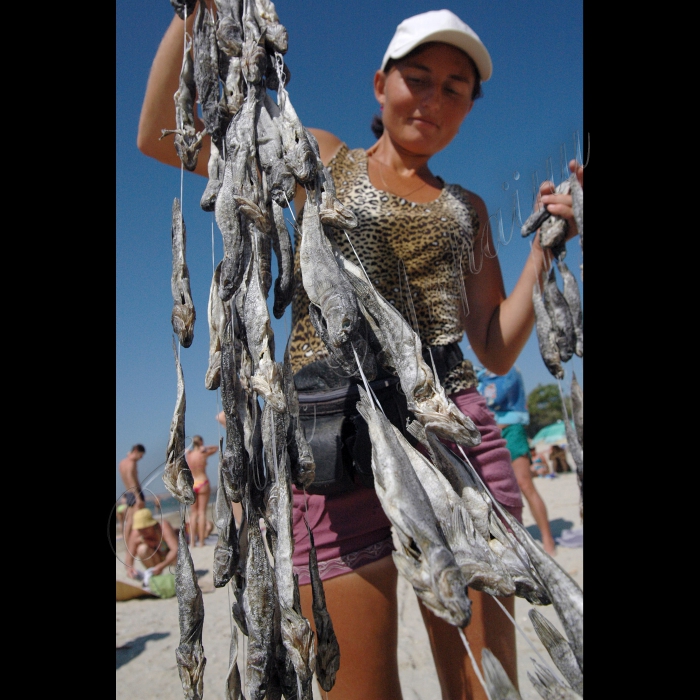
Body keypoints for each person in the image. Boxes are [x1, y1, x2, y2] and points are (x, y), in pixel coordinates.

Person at [137, 7, 582, 699]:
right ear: (381, 83)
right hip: (328, 443)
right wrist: (190, 17)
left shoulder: (465, 207)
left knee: (485, 688)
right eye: (419, 78)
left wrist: (544, 253)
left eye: (455, 89)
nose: (434, 99)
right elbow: (165, 138)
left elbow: (494, 347)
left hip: (455, 441)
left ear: (469, 106)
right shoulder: (318, 158)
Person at [478, 367, 556, 555]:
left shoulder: (508, 371)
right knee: (491, 490)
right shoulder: (478, 377)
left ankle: (547, 537)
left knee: (525, 484)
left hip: (511, 430)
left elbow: (499, 400)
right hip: (487, 433)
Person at [124, 507, 179, 582]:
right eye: (140, 529)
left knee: (179, 554)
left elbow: (175, 549)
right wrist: (130, 569)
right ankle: (156, 578)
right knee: (142, 549)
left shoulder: (163, 527)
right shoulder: (135, 534)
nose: (142, 531)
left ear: (152, 524)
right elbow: (129, 558)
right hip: (156, 558)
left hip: (171, 556)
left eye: (145, 528)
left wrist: (162, 566)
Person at [185, 435, 218, 547]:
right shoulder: (203, 453)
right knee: (202, 512)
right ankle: (202, 541)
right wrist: (205, 447)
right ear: (201, 442)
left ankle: (193, 541)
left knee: (193, 514)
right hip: (202, 481)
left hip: (193, 483)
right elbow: (216, 448)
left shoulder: (189, 454)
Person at [118, 444, 146, 546]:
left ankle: (127, 544)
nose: (141, 457)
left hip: (128, 493)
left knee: (130, 521)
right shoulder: (131, 463)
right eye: (141, 455)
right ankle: (135, 542)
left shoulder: (122, 463)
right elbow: (131, 478)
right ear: (136, 451)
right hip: (135, 493)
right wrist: (138, 497)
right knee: (139, 519)